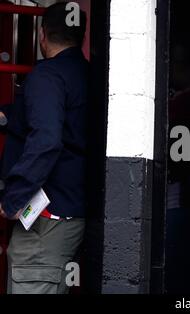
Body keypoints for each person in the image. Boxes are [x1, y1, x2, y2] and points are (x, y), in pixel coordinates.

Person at [0, 2, 88, 294]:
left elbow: (47, 139)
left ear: (42, 34)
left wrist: (14, 198)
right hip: (71, 212)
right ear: (81, 37)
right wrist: (10, 114)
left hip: (45, 222)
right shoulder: (87, 75)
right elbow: (64, 118)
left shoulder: (47, 75)